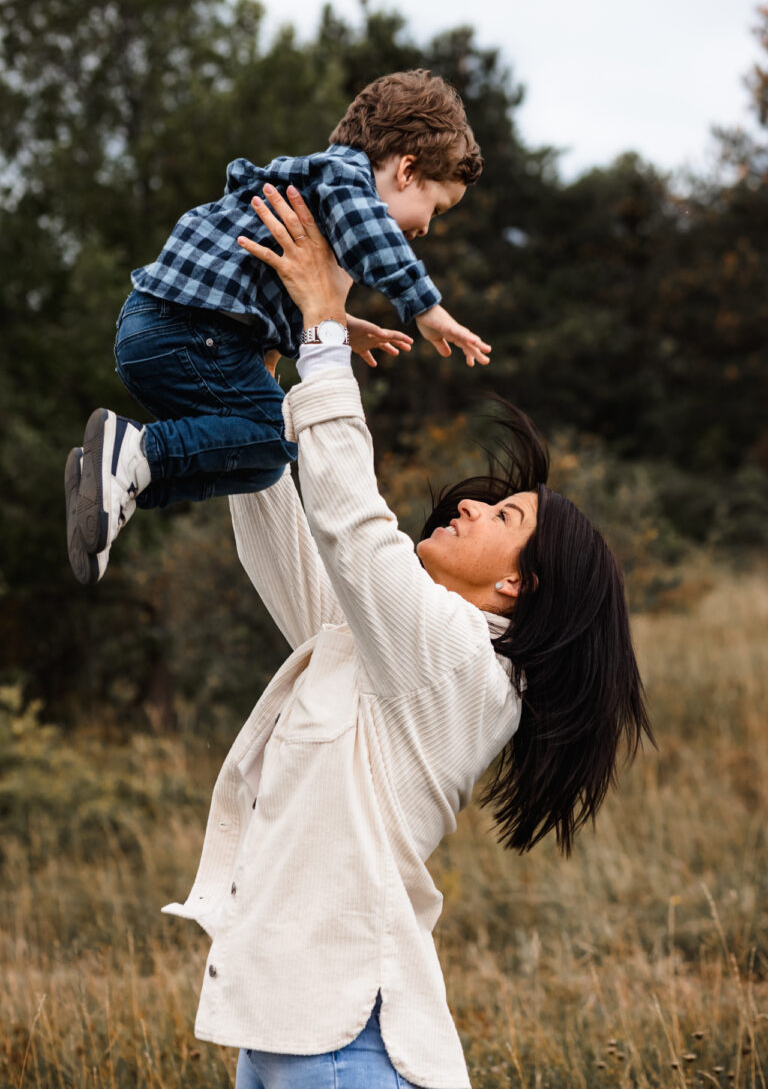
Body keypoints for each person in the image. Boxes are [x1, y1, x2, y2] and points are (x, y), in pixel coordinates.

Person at [160, 185, 653, 1089]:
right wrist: (255, 372)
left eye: (502, 512)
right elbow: (289, 545)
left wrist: (322, 324)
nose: (468, 502)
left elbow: (353, 524)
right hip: (288, 1035)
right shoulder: (384, 654)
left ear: (516, 585)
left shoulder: (462, 667)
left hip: (352, 1045)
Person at [64, 69, 491, 586]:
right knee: (273, 432)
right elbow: (369, 234)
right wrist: (425, 306)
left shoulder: (315, 197)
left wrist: (343, 323)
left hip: (158, 331)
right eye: (436, 208)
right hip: (189, 333)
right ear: (405, 170)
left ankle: (110, 482)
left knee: (265, 461)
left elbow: (267, 291)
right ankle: (135, 452)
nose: (425, 228)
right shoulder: (343, 178)